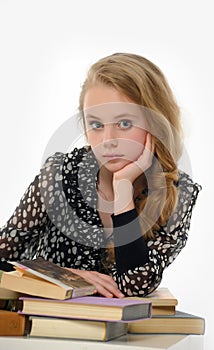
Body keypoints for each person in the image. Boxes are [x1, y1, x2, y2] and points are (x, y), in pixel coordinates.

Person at [0, 52, 201, 298]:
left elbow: (134, 285)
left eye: (124, 123)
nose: (107, 141)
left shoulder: (177, 193)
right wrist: (63, 276)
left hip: (120, 334)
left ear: (155, 124)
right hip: (47, 327)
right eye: (96, 125)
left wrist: (123, 190)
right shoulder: (59, 175)